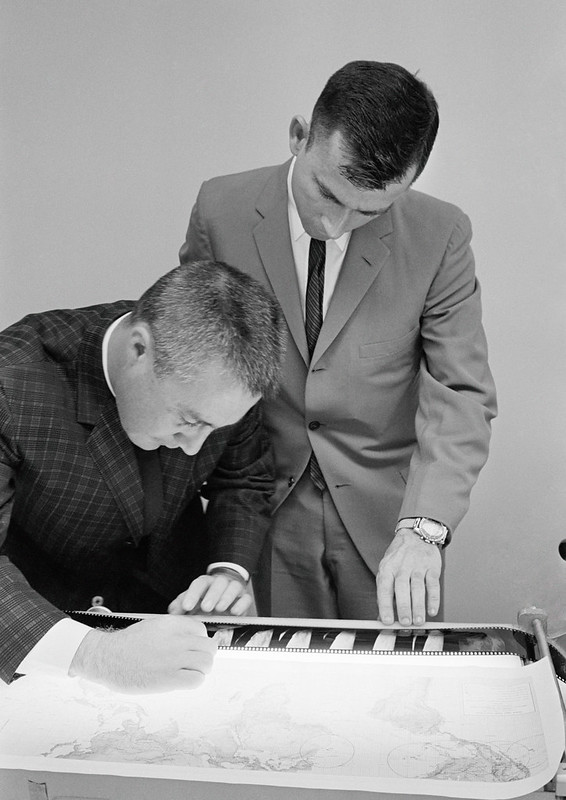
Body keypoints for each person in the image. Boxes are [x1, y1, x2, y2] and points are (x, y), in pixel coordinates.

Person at [179, 60, 497, 626]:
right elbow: (195, 359)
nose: (336, 224)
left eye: (368, 210)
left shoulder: (441, 234)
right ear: (300, 135)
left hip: (391, 522)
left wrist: (424, 528)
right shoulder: (219, 210)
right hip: (263, 510)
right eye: (326, 192)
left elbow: (461, 392)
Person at [0, 260, 286, 692]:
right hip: (41, 630)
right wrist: (93, 654)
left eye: (214, 428)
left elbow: (243, 480)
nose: (195, 446)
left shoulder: (223, 378)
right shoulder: (12, 382)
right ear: (139, 349)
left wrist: (228, 573)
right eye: (188, 421)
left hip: (171, 619)